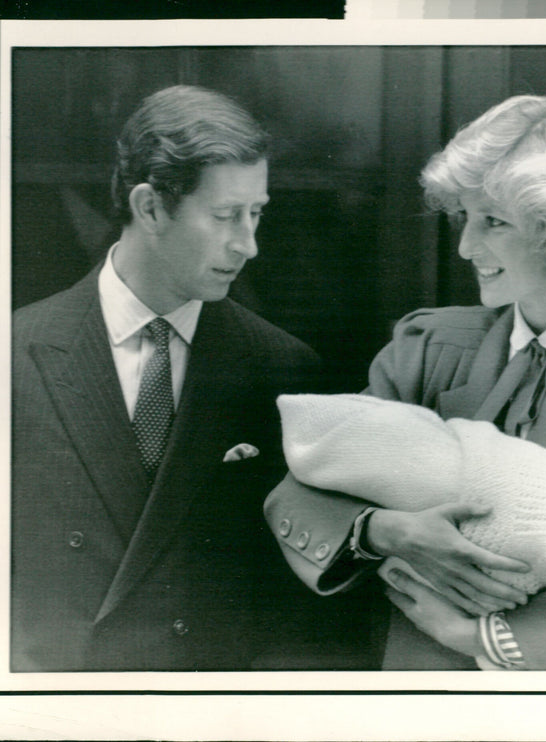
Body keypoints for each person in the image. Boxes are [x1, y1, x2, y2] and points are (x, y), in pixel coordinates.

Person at [265, 92, 546, 670]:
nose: (467, 246)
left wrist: (479, 636)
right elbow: (300, 488)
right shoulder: (425, 349)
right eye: (466, 218)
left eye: (493, 222)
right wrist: (389, 533)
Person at [11, 85, 372, 671]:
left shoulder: (281, 367)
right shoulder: (15, 355)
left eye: (257, 214)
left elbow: (295, 603)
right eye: (226, 216)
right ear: (150, 207)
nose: (249, 245)